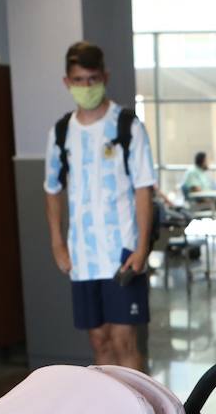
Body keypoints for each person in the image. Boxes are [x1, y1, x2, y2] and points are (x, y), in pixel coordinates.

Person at [44, 41, 156, 371]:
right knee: (99, 340)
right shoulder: (61, 133)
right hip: (83, 257)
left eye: (93, 79)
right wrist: (57, 244)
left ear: (105, 77)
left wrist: (142, 246)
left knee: (124, 340)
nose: (87, 87)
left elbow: (143, 190)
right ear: (67, 82)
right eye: (79, 80)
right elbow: (52, 190)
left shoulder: (127, 127)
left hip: (122, 253)